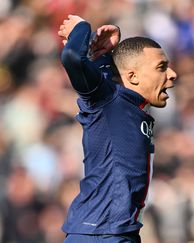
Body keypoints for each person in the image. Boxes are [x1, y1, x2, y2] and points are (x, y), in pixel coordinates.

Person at [57, 15, 177, 242]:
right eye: (162, 67)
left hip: (119, 233)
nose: (172, 74)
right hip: (100, 234)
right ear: (132, 76)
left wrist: (103, 56)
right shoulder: (108, 99)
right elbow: (72, 58)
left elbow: (108, 75)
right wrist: (81, 28)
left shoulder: (129, 104)